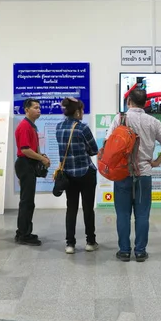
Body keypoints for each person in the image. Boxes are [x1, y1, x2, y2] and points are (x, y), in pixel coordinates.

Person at [106, 89, 161, 262]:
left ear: (128, 101)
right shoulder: (153, 121)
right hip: (144, 174)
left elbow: (107, 143)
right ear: (145, 103)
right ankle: (140, 252)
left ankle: (124, 251)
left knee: (122, 214)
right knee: (142, 215)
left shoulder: (119, 119)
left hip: (122, 173)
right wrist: (157, 161)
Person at [55, 98, 99, 254]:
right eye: (82, 110)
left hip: (68, 175)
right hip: (86, 173)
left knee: (71, 209)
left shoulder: (59, 127)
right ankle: (90, 242)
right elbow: (94, 150)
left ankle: (70, 244)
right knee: (88, 208)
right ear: (77, 111)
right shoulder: (83, 128)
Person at [14, 98, 50, 246]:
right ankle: (23, 234)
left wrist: (41, 156)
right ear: (26, 109)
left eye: (39, 107)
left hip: (28, 164)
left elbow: (33, 148)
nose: (39, 110)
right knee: (26, 201)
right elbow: (25, 150)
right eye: (35, 107)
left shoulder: (32, 126)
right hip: (25, 164)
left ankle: (24, 231)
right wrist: (41, 159)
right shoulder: (24, 127)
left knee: (28, 201)